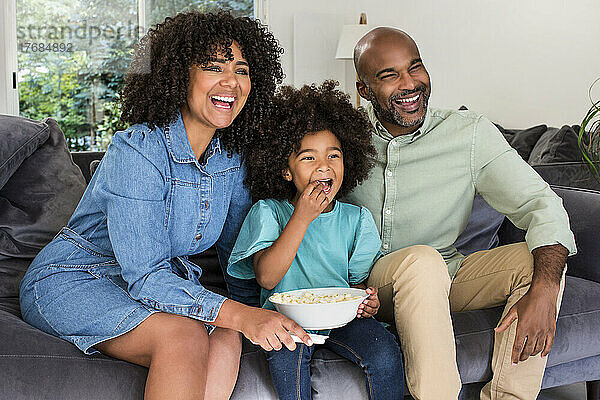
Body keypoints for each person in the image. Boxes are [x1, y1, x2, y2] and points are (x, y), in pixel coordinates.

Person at [19, 11, 312, 400]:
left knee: (227, 334)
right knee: (184, 333)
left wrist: (269, 314)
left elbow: (235, 259)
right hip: (77, 278)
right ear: (179, 76)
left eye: (241, 70)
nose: (231, 82)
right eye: (213, 67)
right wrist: (243, 315)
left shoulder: (232, 159)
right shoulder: (137, 151)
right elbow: (148, 277)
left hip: (161, 284)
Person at [344, 27, 577, 400]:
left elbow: (541, 204)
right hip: (370, 285)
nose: (409, 84)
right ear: (364, 89)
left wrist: (546, 290)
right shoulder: (343, 135)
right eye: (389, 75)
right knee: (422, 260)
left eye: (415, 67)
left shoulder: (469, 134)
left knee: (539, 259)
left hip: (446, 277)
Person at [227, 81, 405, 400]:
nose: (324, 166)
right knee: (287, 362)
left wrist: (368, 302)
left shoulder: (357, 219)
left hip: (341, 318)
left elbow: (355, 285)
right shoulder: (268, 212)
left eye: (333, 156)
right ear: (285, 170)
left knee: (385, 355)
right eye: (309, 158)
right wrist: (302, 217)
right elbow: (267, 278)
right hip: (284, 319)